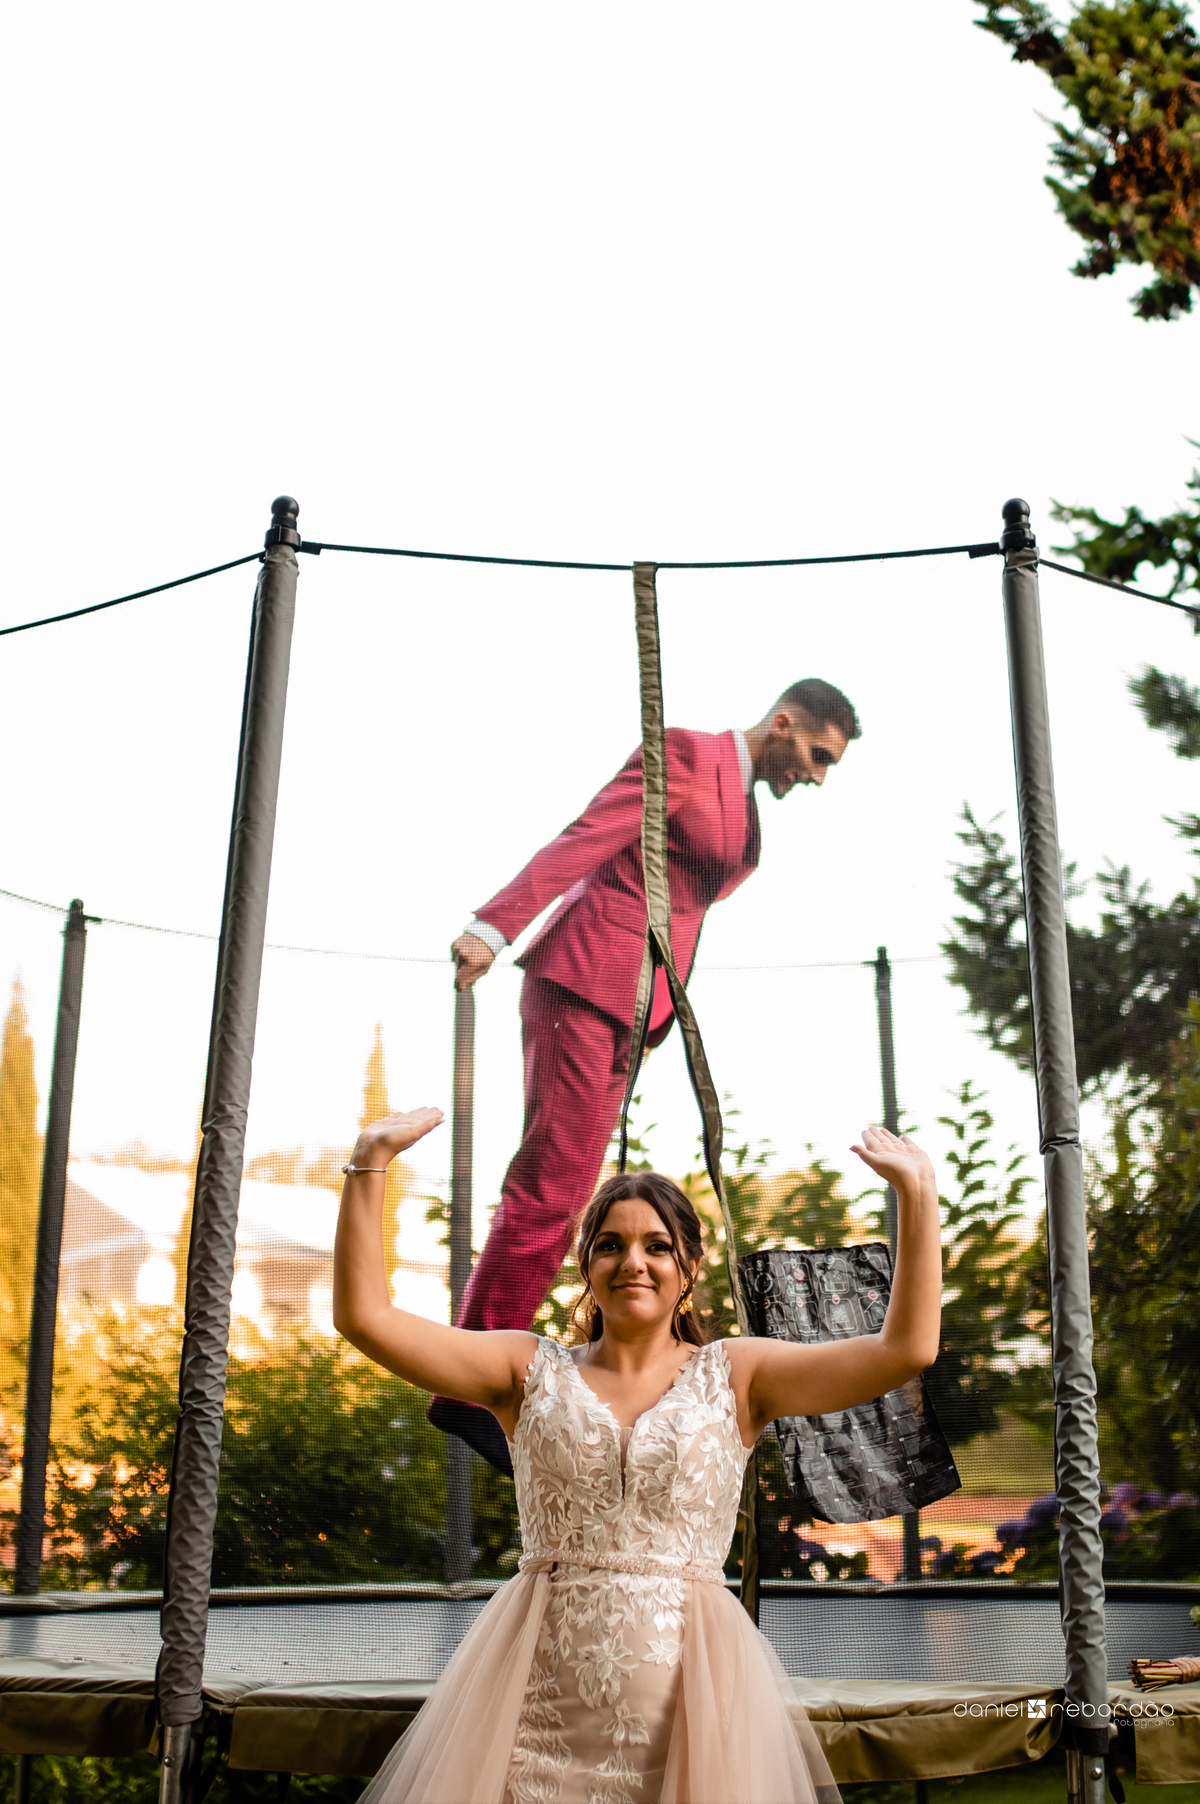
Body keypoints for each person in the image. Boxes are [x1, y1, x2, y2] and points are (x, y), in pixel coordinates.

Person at [334, 1106, 941, 1804]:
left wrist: (918, 1195)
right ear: (586, 1265)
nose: (633, 1262)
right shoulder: (524, 1369)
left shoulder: (738, 1376)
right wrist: (368, 1162)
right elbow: (365, 1318)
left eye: (657, 1246)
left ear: (690, 1267)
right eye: (610, 1245)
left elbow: (904, 1350)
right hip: (533, 1710)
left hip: (691, 1716)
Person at [433, 678, 861, 1472]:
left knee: (564, 1201)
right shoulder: (687, 756)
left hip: (630, 1009)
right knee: (548, 1195)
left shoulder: (743, 804)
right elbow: (588, 837)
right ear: (783, 722)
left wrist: (656, 1014)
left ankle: (483, 1375)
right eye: (816, 755)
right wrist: (492, 926)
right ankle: (470, 1385)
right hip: (585, 978)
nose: (816, 776)